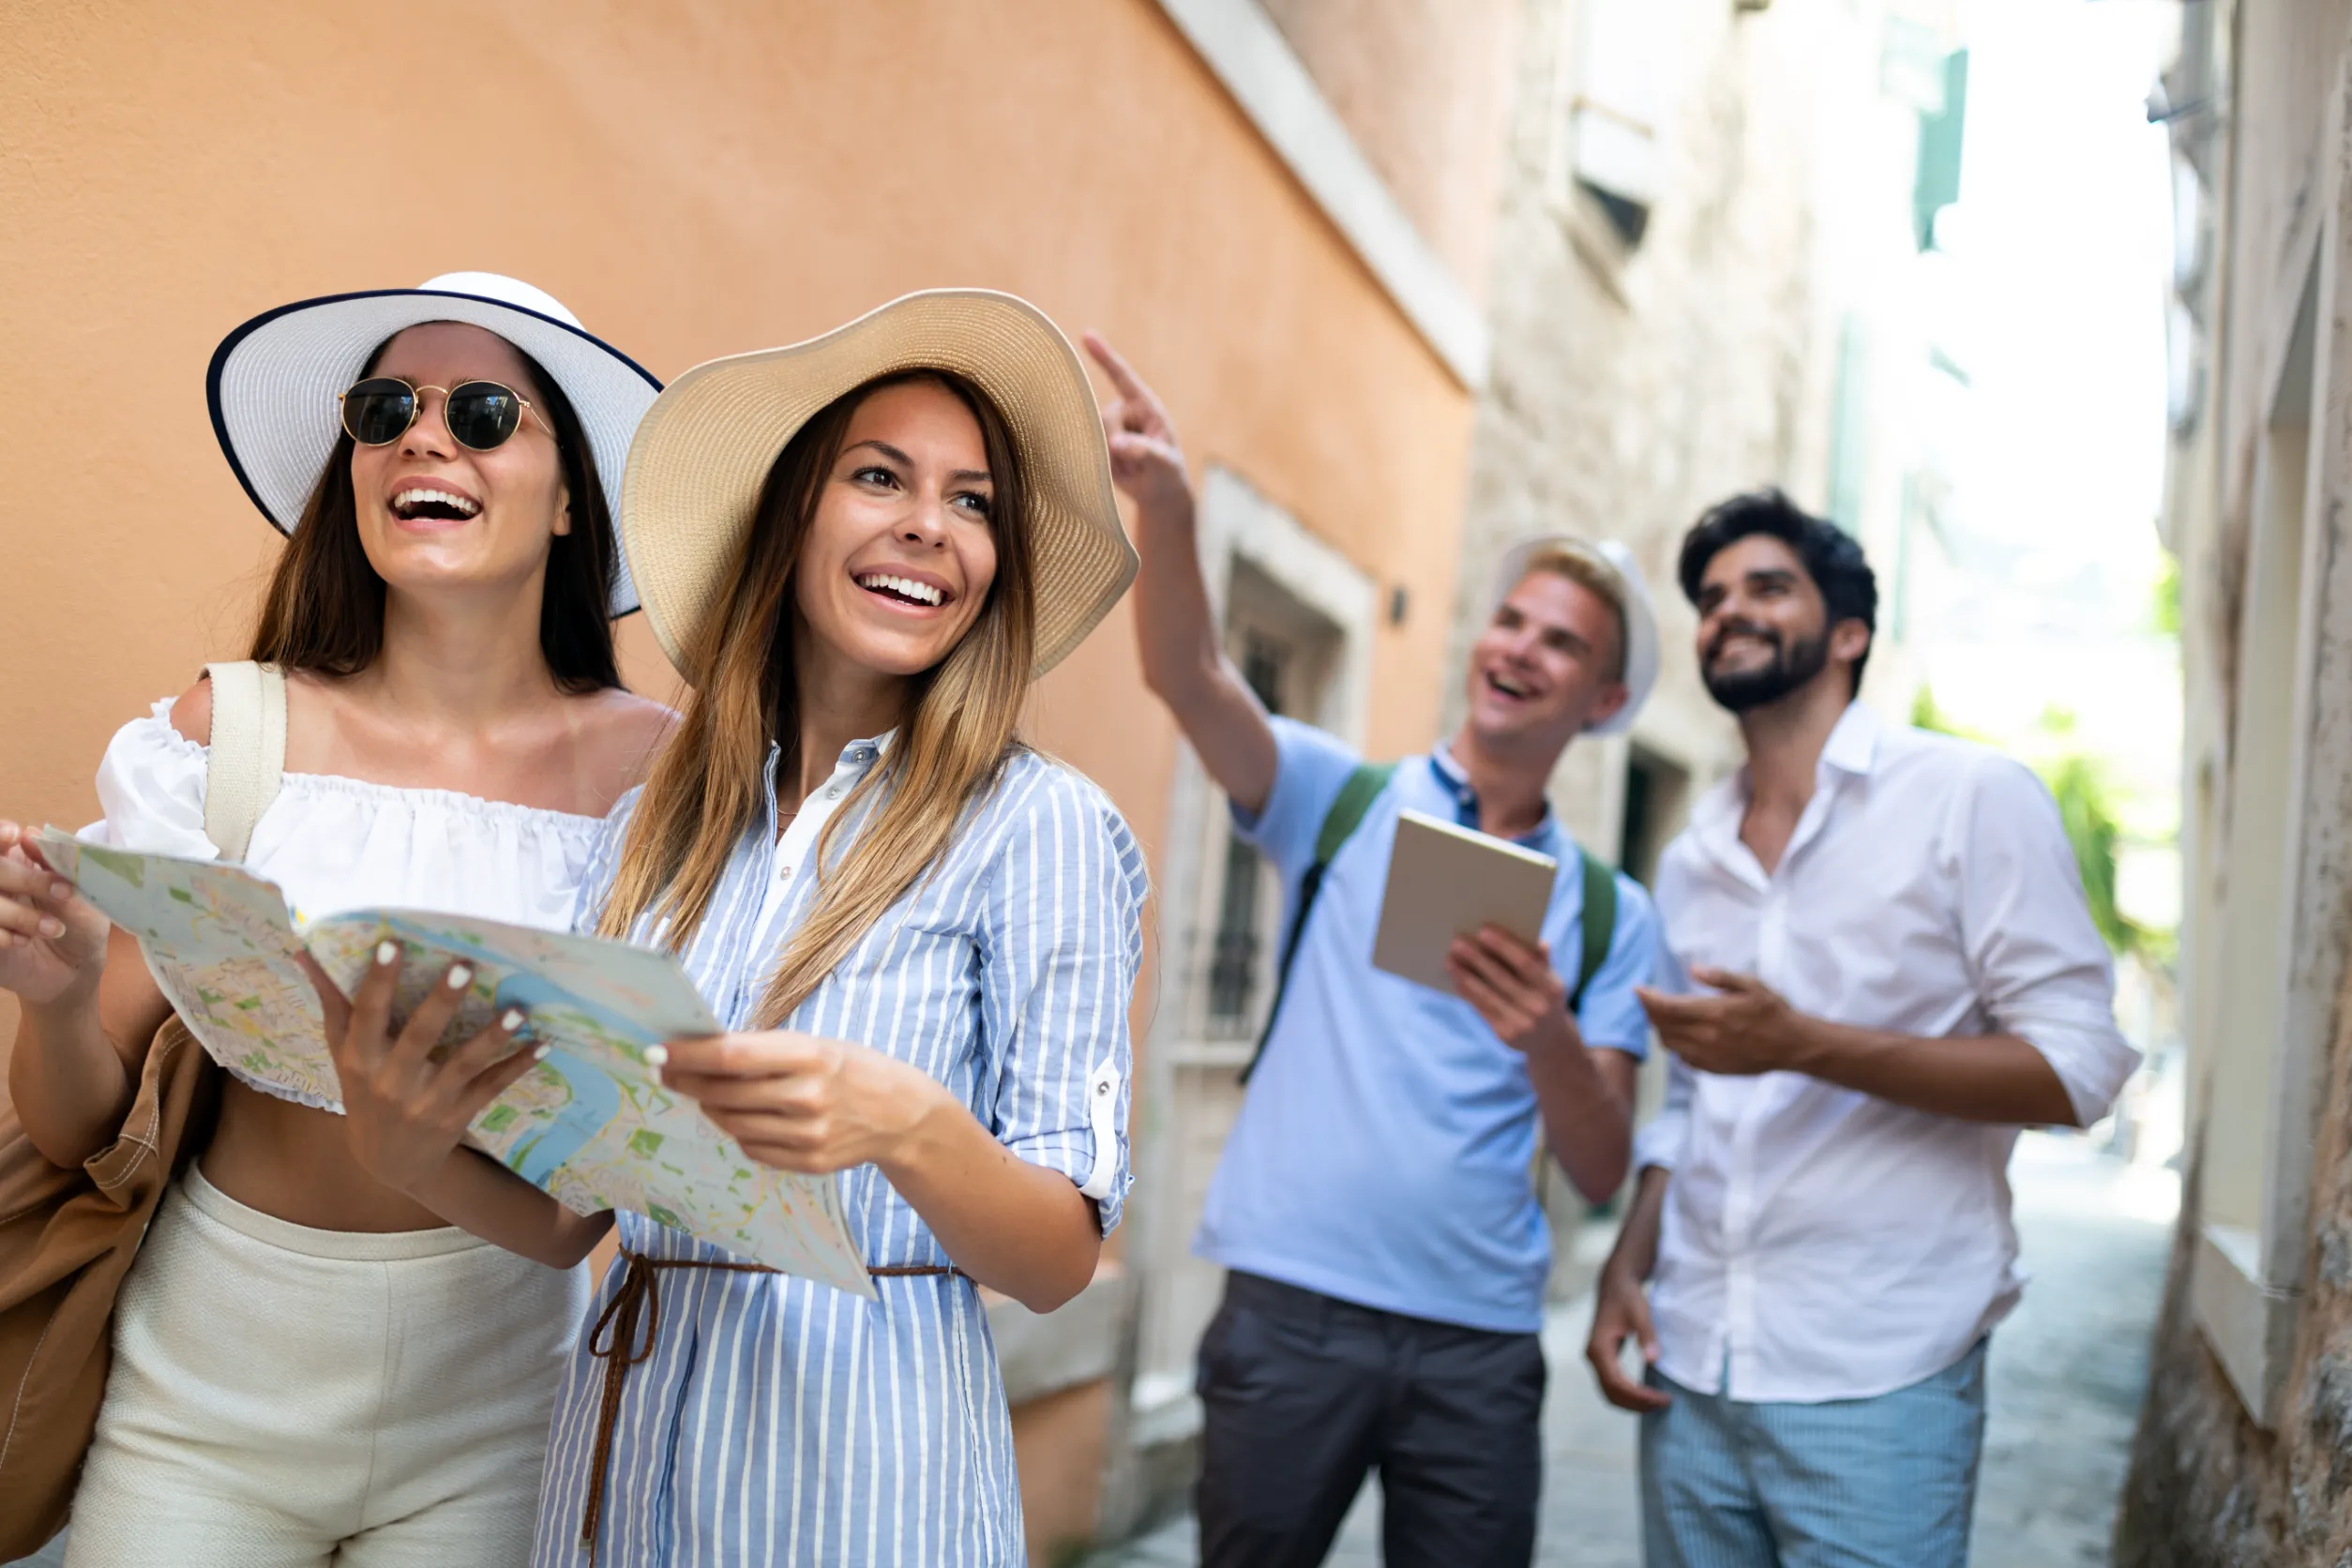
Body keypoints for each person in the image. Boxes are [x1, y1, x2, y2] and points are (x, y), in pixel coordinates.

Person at [319, 290, 1148, 1565]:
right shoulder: (661, 823)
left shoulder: (1038, 827)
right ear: (795, 512)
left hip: (863, 1479)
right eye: (881, 477)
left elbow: (1056, 1259)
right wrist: (410, 1144)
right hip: (622, 1451)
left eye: (973, 501)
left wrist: (909, 1124)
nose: (930, 525)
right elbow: (575, 1215)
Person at [0, 273, 670, 1566]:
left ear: (572, 493)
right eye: (384, 409)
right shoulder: (225, 732)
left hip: (502, 1398)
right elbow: (78, 1122)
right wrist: (58, 992)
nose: (425, 436)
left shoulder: (663, 780)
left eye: (483, 412)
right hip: (204, 1389)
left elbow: (612, 1186)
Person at [1085, 335, 1666, 1568]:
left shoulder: (1613, 913)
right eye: (1509, 622)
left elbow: (1603, 1161)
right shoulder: (1334, 803)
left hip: (1477, 1342)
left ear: (1603, 703)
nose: (1518, 649)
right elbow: (1185, 674)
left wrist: (1549, 1036)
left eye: (1560, 643)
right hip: (1289, 1312)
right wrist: (1171, 508)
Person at [1583, 490, 2142, 1568]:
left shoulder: (1971, 797)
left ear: (1849, 632)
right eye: (1709, 597)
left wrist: (1804, 1044)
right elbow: (1698, 1098)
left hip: (1881, 1373)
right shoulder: (1693, 856)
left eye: (1765, 587)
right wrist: (1627, 1264)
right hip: (1695, 1363)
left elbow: (2080, 1070)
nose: (1727, 611)